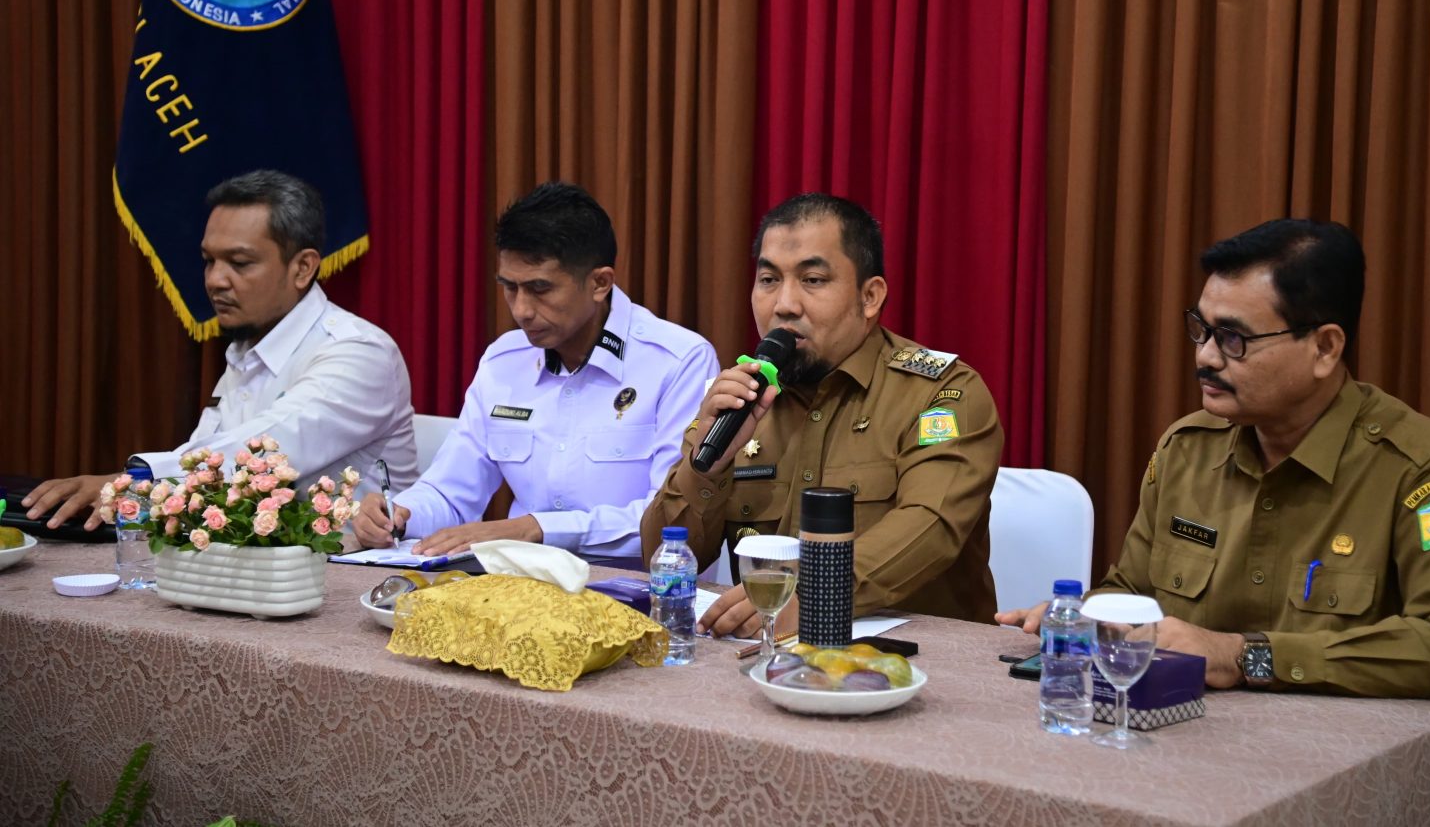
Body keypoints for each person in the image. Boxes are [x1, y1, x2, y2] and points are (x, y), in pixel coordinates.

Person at [999, 219, 1430, 703]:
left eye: (1233, 338)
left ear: (1325, 348)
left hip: (1342, 752)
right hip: (1187, 737)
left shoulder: (1423, 468)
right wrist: (1086, 618)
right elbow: (1134, 593)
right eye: (1202, 329)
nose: (1205, 356)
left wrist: (1246, 657)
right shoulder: (1187, 450)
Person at [641, 193, 1003, 638]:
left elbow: (931, 525)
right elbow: (662, 559)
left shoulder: (940, 393)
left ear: (869, 297)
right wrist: (706, 467)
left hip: (914, 658)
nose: (784, 304)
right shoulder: (739, 398)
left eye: (812, 280)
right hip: (760, 655)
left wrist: (816, 591)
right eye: (769, 280)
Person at [24, 169, 418, 528]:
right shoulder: (251, 342)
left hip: (354, 573)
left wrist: (137, 482)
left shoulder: (359, 352)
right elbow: (207, 464)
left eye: (239, 263)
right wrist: (128, 499)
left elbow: (259, 458)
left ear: (302, 268)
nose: (215, 280)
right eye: (209, 261)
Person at [353, 182, 715, 569]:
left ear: (599, 283)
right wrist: (400, 514)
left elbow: (669, 519)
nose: (521, 310)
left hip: (634, 592)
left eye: (540, 288)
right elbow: (450, 492)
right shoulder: (503, 361)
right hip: (516, 588)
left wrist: (537, 528)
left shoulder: (678, 361)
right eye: (510, 288)